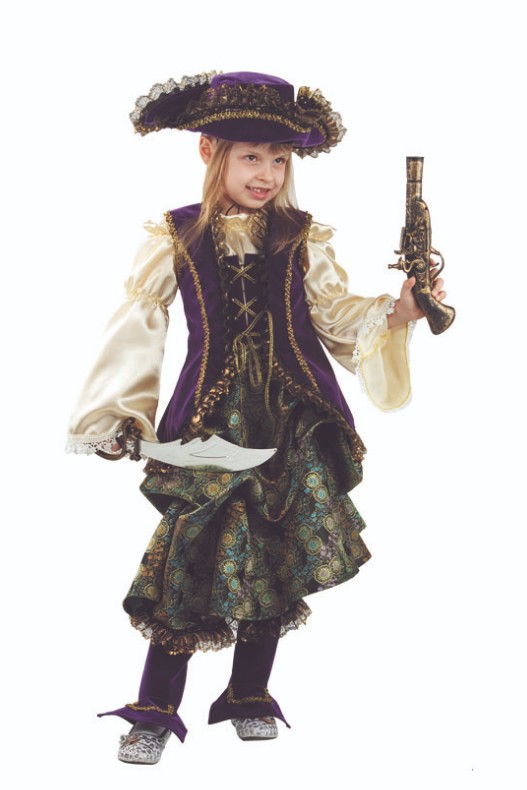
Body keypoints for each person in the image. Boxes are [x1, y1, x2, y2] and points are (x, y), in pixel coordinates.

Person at [67, 71, 446, 764]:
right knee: (187, 556)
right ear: (209, 153)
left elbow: (335, 317)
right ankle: (154, 710)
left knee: (276, 553)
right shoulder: (177, 235)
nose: (267, 174)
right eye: (250, 156)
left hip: (294, 421)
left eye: (279, 159)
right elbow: (139, 325)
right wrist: (117, 414)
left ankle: (248, 695)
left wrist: (399, 311)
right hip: (210, 428)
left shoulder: (301, 237)